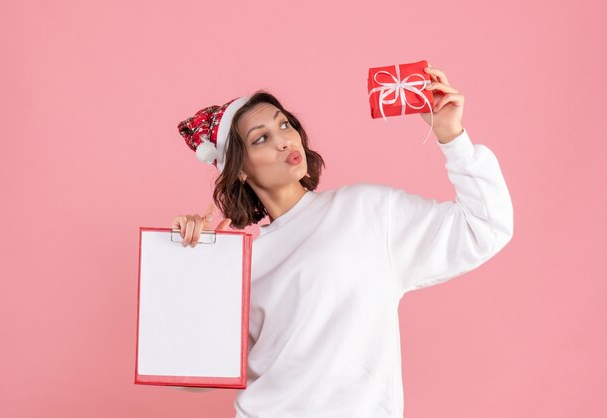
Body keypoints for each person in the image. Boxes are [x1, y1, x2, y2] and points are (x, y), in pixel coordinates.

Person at [171, 65, 514, 418]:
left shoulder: (366, 211)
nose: (283, 140)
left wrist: (452, 137)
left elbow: (485, 227)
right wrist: (199, 266)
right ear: (240, 169)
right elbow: (193, 375)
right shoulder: (244, 262)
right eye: (261, 138)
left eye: (284, 124)